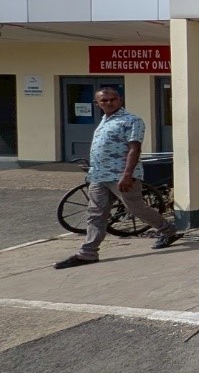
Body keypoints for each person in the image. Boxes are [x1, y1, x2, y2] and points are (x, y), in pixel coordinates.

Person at [54, 88, 183, 269]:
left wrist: (127, 174)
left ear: (120, 100)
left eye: (113, 99)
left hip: (121, 176)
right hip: (99, 175)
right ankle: (88, 253)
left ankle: (168, 231)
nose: (109, 103)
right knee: (96, 213)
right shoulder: (104, 121)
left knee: (136, 208)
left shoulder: (131, 120)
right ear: (97, 104)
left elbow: (134, 148)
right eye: (104, 100)